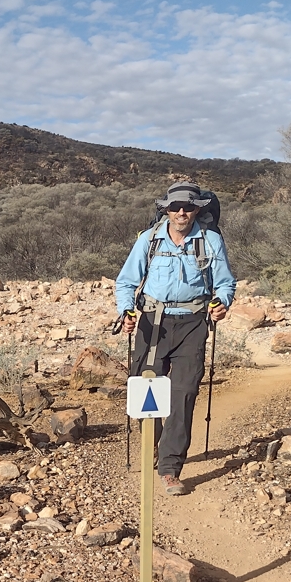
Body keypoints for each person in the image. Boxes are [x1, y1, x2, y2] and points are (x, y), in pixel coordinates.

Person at [115, 181, 235, 495]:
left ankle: (170, 467)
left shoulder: (210, 241)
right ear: (166, 209)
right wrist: (126, 311)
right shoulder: (148, 240)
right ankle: (151, 444)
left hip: (193, 324)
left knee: (184, 394)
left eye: (188, 207)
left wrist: (222, 304)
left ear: (198, 209)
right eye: (175, 207)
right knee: (146, 389)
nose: (182, 212)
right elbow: (126, 281)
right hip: (152, 324)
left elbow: (224, 283)